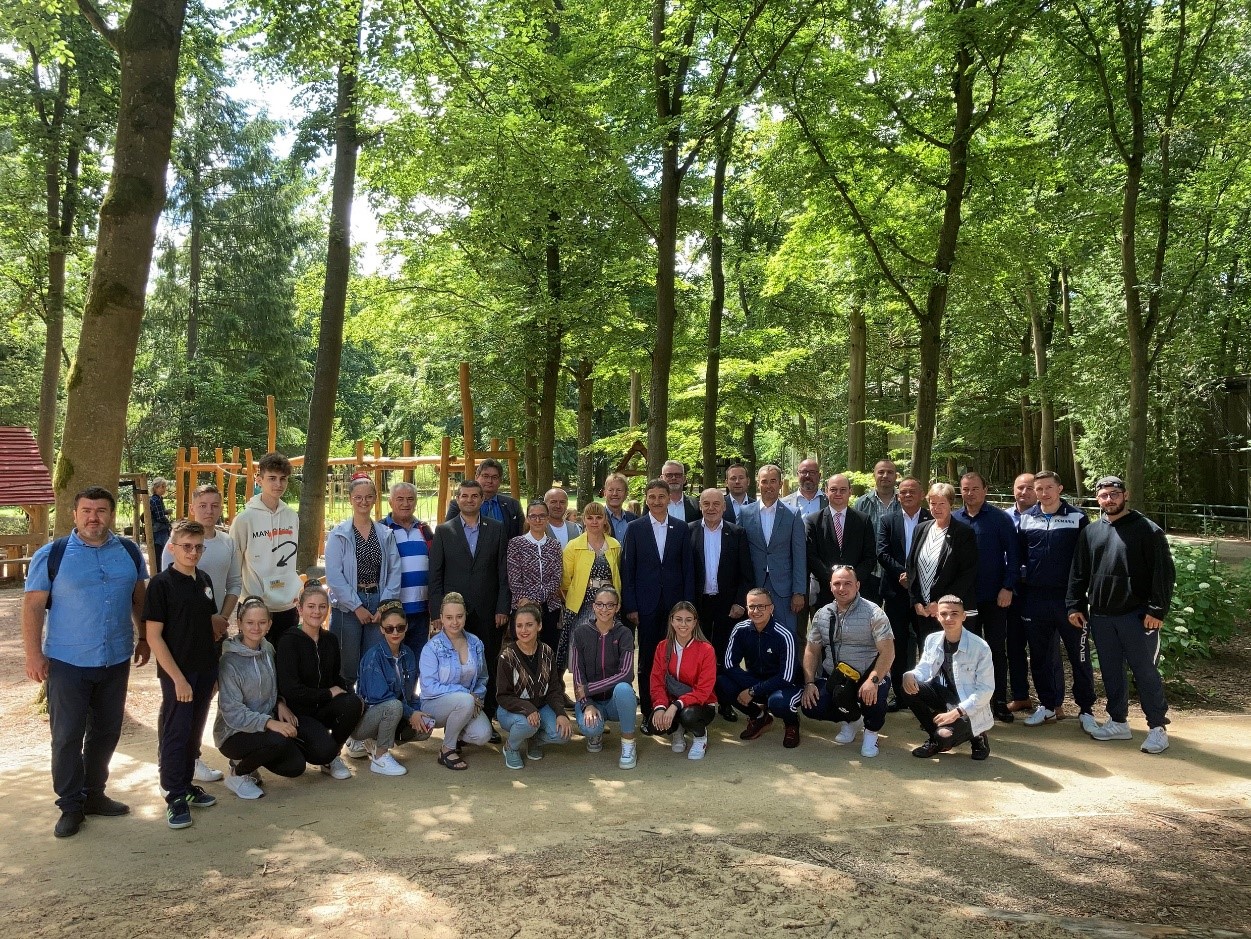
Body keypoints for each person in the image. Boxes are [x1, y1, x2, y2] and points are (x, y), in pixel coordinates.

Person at [23, 487, 150, 838]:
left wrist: (143, 638)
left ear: (111, 514)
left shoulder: (128, 552)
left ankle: (94, 794)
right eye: (87, 511)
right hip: (68, 663)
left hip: (115, 659)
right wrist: (33, 655)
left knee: (106, 732)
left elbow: (139, 598)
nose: (94, 517)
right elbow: (33, 606)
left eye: (101, 510)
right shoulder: (52, 555)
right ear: (75, 514)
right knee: (66, 736)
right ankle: (69, 805)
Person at [1067, 476, 1177, 754]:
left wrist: (1157, 609)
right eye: (1103, 495)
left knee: (1145, 672)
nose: (1109, 499)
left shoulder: (1147, 530)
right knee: (1111, 671)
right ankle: (1118, 722)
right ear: (1098, 499)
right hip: (1102, 616)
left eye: (1114, 494)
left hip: (1137, 616)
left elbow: (1163, 574)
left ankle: (1157, 728)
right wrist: (1074, 605)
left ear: (1125, 495)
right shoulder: (1091, 532)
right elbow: (1078, 572)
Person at [143, 520, 223, 829]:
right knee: (176, 731)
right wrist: (177, 678)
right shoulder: (161, 584)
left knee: (194, 729)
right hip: (178, 672)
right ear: (173, 547)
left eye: (198, 547)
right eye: (186, 546)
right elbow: (154, 637)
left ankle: (186, 784)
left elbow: (208, 624)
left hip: (205, 669)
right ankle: (173, 793)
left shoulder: (203, 579)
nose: (192, 552)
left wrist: (215, 668)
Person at [161, 482, 240, 784]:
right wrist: (206, 620)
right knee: (176, 700)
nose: (209, 511)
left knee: (205, 694)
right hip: (182, 635)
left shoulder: (227, 542)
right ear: (192, 507)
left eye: (215, 505)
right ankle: (170, 761)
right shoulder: (177, 542)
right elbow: (170, 588)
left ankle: (191, 758)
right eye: (203, 505)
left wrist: (221, 618)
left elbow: (234, 583)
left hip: (216, 631)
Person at [1018, 470, 1096, 730]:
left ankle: (1086, 709)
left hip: (1070, 600)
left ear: (1059, 489)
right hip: (1035, 598)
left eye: (1049, 488)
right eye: (1039, 489)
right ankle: (1048, 706)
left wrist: (1079, 597)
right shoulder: (1026, 518)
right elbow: (1020, 556)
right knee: (1040, 656)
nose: (1044, 493)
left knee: (1079, 656)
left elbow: (1085, 560)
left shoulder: (1077, 518)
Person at [214, 597, 313, 800]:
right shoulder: (229, 661)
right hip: (233, 732)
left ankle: (247, 763)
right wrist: (270, 723)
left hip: (262, 727)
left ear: (269, 624)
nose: (256, 628)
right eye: (250, 622)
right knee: (278, 741)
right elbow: (233, 713)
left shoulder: (267, 649)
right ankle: (237, 774)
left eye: (261, 622)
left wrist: (280, 703)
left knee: (295, 766)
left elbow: (275, 685)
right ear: (240, 623)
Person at [429, 479, 510, 724]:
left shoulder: (496, 529)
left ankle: (487, 715)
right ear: (457, 499)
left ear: (482, 499)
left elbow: (503, 573)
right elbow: (435, 575)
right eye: (464, 496)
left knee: (487, 663)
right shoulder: (444, 531)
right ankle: (458, 720)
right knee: (455, 664)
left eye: (474, 496)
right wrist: (436, 613)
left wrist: (502, 607)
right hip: (454, 614)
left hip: (489, 611)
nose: (469, 500)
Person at [622, 479, 696, 731]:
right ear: (646, 499)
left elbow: (688, 568)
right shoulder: (635, 528)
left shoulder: (681, 528)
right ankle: (649, 711)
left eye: (661, 496)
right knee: (648, 660)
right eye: (651, 497)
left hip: (676, 607)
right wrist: (631, 606)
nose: (656, 501)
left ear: (668, 499)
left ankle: (675, 710)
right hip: (646, 606)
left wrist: (687, 606)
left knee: (676, 658)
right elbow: (628, 569)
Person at [800, 566, 894, 758]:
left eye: (847, 583)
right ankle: (853, 719)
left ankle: (871, 733)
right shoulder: (822, 614)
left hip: (869, 674)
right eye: (837, 583)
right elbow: (811, 650)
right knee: (812, 705)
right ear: (830, 586)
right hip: (838, 678)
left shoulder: (874, 612)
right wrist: (809, 683)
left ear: (857, 585)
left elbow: (888, 652)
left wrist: (873, 680)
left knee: (873, 697)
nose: (842, 588)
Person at [275, 583, 365, 780]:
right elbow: (290, 689)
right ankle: (316, 750)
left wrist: (349, 694)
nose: (317, 611)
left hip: (323, 707)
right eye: (311, 606)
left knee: (353, 703)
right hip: (299, 712)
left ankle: (333, 755)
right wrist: (327, 693)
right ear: (300, 609)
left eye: (322, 606)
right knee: (322, 751)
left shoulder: (330, 640)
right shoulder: (288, 641)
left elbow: (335, 677)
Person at [325, 475, 403, 692]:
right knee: (346, 663)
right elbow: (334, 575)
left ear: (375, 498)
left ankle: (371, 704)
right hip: (348, 605)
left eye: (368, 497)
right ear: (350, 499)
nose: (363, 501)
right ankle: (347, 704)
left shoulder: (385, 534)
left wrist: (384, 606)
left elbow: (395, 570)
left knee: (374, 660)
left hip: (378, 602)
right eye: (358, 497)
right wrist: (356, 606)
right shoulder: (339, 534)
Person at [953, 471, 1020, 723]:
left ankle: (998, 700)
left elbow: (1014, 556)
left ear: (985, 489)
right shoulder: (954, 519)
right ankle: (967, 703)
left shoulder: (1000, 519)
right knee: (965, 652)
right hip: (963, 600)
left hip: (994, 597)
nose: (969, 493)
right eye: (965, 489)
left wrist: (1008, 587)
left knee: (995, 651)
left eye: (974, 488)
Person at [901, 595, 994, 760]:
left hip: (968, 704)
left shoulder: (980, 647)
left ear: (964, 616)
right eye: (943, 614)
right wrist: (910, 675)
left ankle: (978, 735)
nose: (949, 618)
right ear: (937, 616)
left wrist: (957, 712)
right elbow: (924, 668)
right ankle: (934, 738)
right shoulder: (932, 639)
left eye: (954, 614)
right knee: (908, 687)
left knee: (944, 736)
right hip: (944, 696)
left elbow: (986, 689)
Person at [350, 601, 434, 776]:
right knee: (393, 706)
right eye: (389, 629)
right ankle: (380, 757)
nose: (395, 632)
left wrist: (418, 713)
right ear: (382, 630)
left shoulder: (408, 654)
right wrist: (411, 714)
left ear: (406, 627)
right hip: (366, 720)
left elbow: (410, 694)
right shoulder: (374, 656)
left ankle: (376, 742)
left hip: (392, 713)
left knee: (426, 725)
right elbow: (380, 698)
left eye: (400, 627)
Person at [689, 488, 752, 719]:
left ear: (724, 507)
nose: (711, 508)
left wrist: (740, 603)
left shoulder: (737, 533)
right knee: (699, 655)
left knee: (726, 656)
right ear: (700, 506)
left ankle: (725, 702)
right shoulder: (689, 531)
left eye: (716, 504)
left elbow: (747, 574)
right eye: (706, 504)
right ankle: (701, 701)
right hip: (698, 605)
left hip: (728, 606)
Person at [716, 589, 802, 747]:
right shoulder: (740, 629)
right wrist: (752, 686)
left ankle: (792, 723)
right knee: (721, 682)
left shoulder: (785, 635)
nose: (756, 611)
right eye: (752, 607)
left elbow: (786, 677)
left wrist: (752, 691)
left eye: (761, 606)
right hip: (755, 680)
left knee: (778, 702)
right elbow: (729, 664)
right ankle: (760, 716)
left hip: (783, 686)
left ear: (771, 608)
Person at [231, 452, 301, 644]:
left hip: (287, 605)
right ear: (259, 480)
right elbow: (234, 564)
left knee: (286, 659)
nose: (278, 484)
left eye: (283, 479)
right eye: (272, 478)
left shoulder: (291, 516)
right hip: (255, 606)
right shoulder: (244, 519)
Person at [420, 593, 494, 770]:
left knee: (483, 735)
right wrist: (466, 695)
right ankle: (447, 749)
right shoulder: (431, 648)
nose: (454, 622)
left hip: (467, 702)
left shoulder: (475, 643)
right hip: (434, 705)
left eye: (459, 616)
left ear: (465, 616)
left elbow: (483, 677)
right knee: (465, 700)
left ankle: (455, 730)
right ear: (441, 618)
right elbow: (429, 687)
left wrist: (477, 697)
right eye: (449, 617)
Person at [496, 605, 573, 769]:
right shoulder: (507, 656)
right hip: (511, 711)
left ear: (539, 626)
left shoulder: (547, 652)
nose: (523, 630)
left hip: (540, 707)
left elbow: (554, 689)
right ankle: (511, 747)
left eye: (529, 625)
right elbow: (503, 696)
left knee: (563, 734)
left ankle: (534, 739)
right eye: (519, 625)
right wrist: (527, 708)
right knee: (527, 724)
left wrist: (560, 713)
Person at [568, 587, 638, 769]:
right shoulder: (581, 633)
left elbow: (626, 674)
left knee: (624, 689)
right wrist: (587, 703)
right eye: (599, 604)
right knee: (590, 727)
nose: (604, 609)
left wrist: (589, 689)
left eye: (609, 605)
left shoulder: (624, 633)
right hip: (592, 701)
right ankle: (595, 734)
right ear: (593, 606)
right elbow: (577, 673)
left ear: (617, 607)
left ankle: (628, 744)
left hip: (615, 701)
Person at [876, 477, 931, 708]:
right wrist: (902, 573)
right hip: (895, 592)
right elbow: (882, 552)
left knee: (927, 643)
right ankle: (901, 695)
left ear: (922, 494)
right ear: (898, 496)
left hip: (925, 592)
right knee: (897, 643)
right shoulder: (888, 520)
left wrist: (914, 577)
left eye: (912, 491)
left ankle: (927, 694)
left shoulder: (932, 518)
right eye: (904, 492)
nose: (907, 495)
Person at [738, 465, 807, 634]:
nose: (768, 486)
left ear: (780, 484)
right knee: (755, 635)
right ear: (758, 483)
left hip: (784, 588)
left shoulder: (793, 514)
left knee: (785, 634)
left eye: (773, 481)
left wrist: (799, 591)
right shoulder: (745, 513)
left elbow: (799, 555)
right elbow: (739, 553)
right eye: (764, 481)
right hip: (755, 585)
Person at [560, 502, 622, 689]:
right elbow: (565, 581)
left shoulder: (615, 545)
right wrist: (572, 600)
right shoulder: (573, 546)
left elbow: (619, 575)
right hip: (582, 606)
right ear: (584, 520)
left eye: (598, 517)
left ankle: (607, 690)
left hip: (609, 606)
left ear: (605, 520)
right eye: (590, 518)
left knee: (609, 649)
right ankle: (582, 691)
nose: (594, 522)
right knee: (583, 650)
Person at [906, 483, 979, 637]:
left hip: (950, 611)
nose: (937, 508)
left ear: (951, 504)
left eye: (942, 503)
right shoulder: (921, 529)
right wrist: (916, 601)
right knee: (927, 650)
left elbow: (967, 574)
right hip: (924, 611)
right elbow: (911, 567)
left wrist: (940, 603)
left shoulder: (963, 533)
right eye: (933, 503)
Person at [649, 602, 717, 760]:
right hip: (672, 701)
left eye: (688, 620)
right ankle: (677, 730)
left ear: (695, 622)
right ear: (671, 621)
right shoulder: (662, 647)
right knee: (654, 725)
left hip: (701, 704)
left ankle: (700, 737)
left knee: (688, 716)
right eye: (679, 619)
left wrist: (675, 706)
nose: (683, 624)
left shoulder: (706, 649)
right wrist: (660, 707)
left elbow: (703, 691)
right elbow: (657, 682)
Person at [806, 474, 878, 608]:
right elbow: (811, 556)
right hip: (824, 590)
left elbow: (870, 556)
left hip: (857, 592)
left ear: (850, 491)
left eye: (843, 490)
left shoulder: (863, 520)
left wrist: (851, 580)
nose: (838, 493)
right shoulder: (813, 521)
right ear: (826, 491)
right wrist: (835, 580)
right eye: (833, 489)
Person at [381, 481, 434, 662]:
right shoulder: (381, 529)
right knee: (391, 660)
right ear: (390, 502)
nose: (405, 503)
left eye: (410, 499)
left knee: (416, 659)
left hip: (421, 610)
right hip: (392, 610)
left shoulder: (424, 530)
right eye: (400, 499)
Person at [508, 501, 565, 661]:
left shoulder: (554, 545)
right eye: (533, 516)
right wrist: (526, 601)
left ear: (547, 518)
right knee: (524, 654)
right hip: (522, 606)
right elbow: (514, 578)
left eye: (542, 516)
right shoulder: (516, 544)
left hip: (550, 608)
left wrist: (535, 599)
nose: (537, 520)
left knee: (549, 653)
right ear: (527, 518)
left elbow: (556, 578)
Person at [1006, 472, 1038, 714]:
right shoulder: (1004, 517)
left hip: (1037, 590)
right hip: (1010, 590)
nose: (1024, 492)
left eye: (1029, 488)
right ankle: (1020, 696)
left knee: (1042, 647)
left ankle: (1053, 701)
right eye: (1020, 487)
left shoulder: (1045, 517)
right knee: (1014, 646)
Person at [853, 459, 899, 602]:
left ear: (896, 476)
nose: (885, 475)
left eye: (890, 472)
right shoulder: (861, 503)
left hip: (897, 574)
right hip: (869, 574)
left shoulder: (904, 502)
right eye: (881, 472)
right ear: (874, 475)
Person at [445, 458, 524, 539]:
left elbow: (521, 535)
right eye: (485, 476)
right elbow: (448, 534)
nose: (490, 481)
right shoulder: (458, 505)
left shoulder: (513, 505)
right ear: (477, 477)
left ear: (500, 481)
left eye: (494, 477)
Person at [602, 472, 638, 542]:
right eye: (610, 490)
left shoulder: (634, 519)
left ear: (626, 494)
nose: (615, 494)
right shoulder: (596, 518)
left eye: (619, 490)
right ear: (605, 493)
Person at [149, 477, 172, 571]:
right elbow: (159, 517)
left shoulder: (157, 499)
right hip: (159, 530)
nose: (164, 489)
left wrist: (166, 512)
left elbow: (158, 513)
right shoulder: (156, 500)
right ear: (156, 488)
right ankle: (161, 571)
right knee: (162, 553)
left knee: (160, 553)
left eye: (164, 486)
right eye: (162, 487)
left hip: (158, 529)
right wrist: (170, 523)